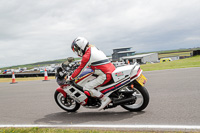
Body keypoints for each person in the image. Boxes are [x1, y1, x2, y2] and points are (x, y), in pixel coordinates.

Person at [68, 37, 116, 110]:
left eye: (77, 49)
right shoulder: (93, 48)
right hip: (111, 69)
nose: (77, 51)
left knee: (87, 87)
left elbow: (80, 69)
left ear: (81, 46)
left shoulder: (87, 55)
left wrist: (71, 77)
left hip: (105, 74)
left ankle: (104, 99)